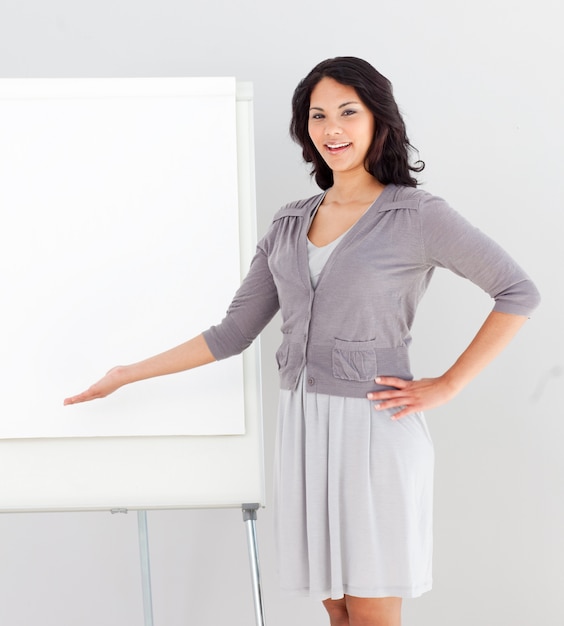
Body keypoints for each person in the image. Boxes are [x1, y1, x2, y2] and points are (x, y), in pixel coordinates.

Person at [65, 57, 540, 626]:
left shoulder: (416, 214)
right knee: (337, 611)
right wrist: (127, 373)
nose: (332, 129)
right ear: (305, 129)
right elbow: (233, 332)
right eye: (318, 116)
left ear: (378, 121)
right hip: (304, 429)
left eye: (347, 112)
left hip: (374, 431)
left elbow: (517, 291)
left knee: (369, 610)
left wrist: (448, 385)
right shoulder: (289, 224)